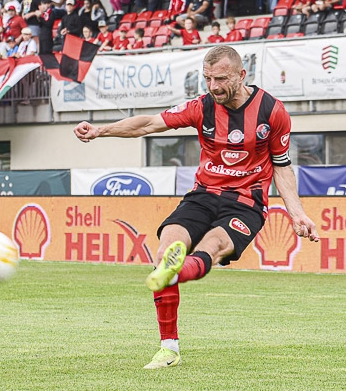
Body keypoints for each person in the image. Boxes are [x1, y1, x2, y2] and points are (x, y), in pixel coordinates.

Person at [72, 45, 318, 370]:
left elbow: (282, 164)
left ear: (242, 75)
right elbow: (148, 124)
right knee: (166, 249)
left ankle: (179, 270)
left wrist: (296, 212)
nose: (214, 86)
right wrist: (101, 130)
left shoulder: (272, 112)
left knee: (212, 246)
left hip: (246, 202)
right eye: (208, 78)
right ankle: (169, 348)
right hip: (203, 194)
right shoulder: (201, 107)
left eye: (221, 79)